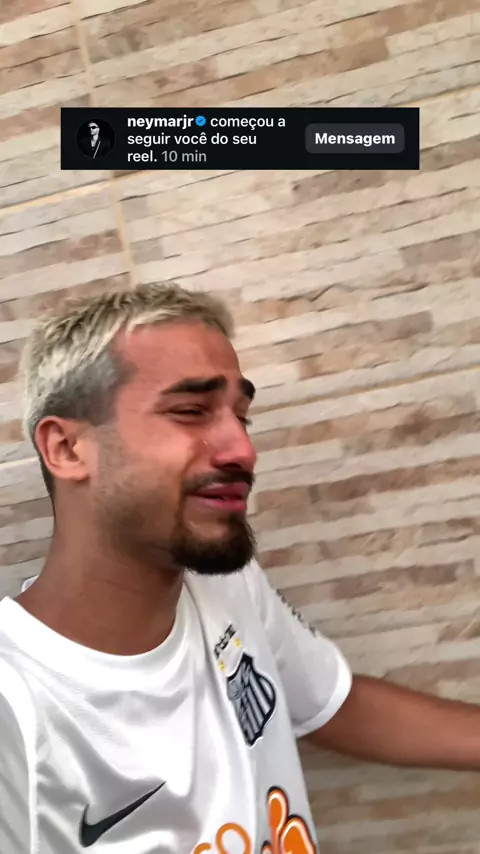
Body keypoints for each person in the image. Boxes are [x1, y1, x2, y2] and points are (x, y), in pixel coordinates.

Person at [0, 283, 479, 854]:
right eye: (190, 412)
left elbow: (334, 704)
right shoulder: (16, 710)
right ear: (66, 448)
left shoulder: (224, 581)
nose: (243, 450)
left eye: (241, 416)